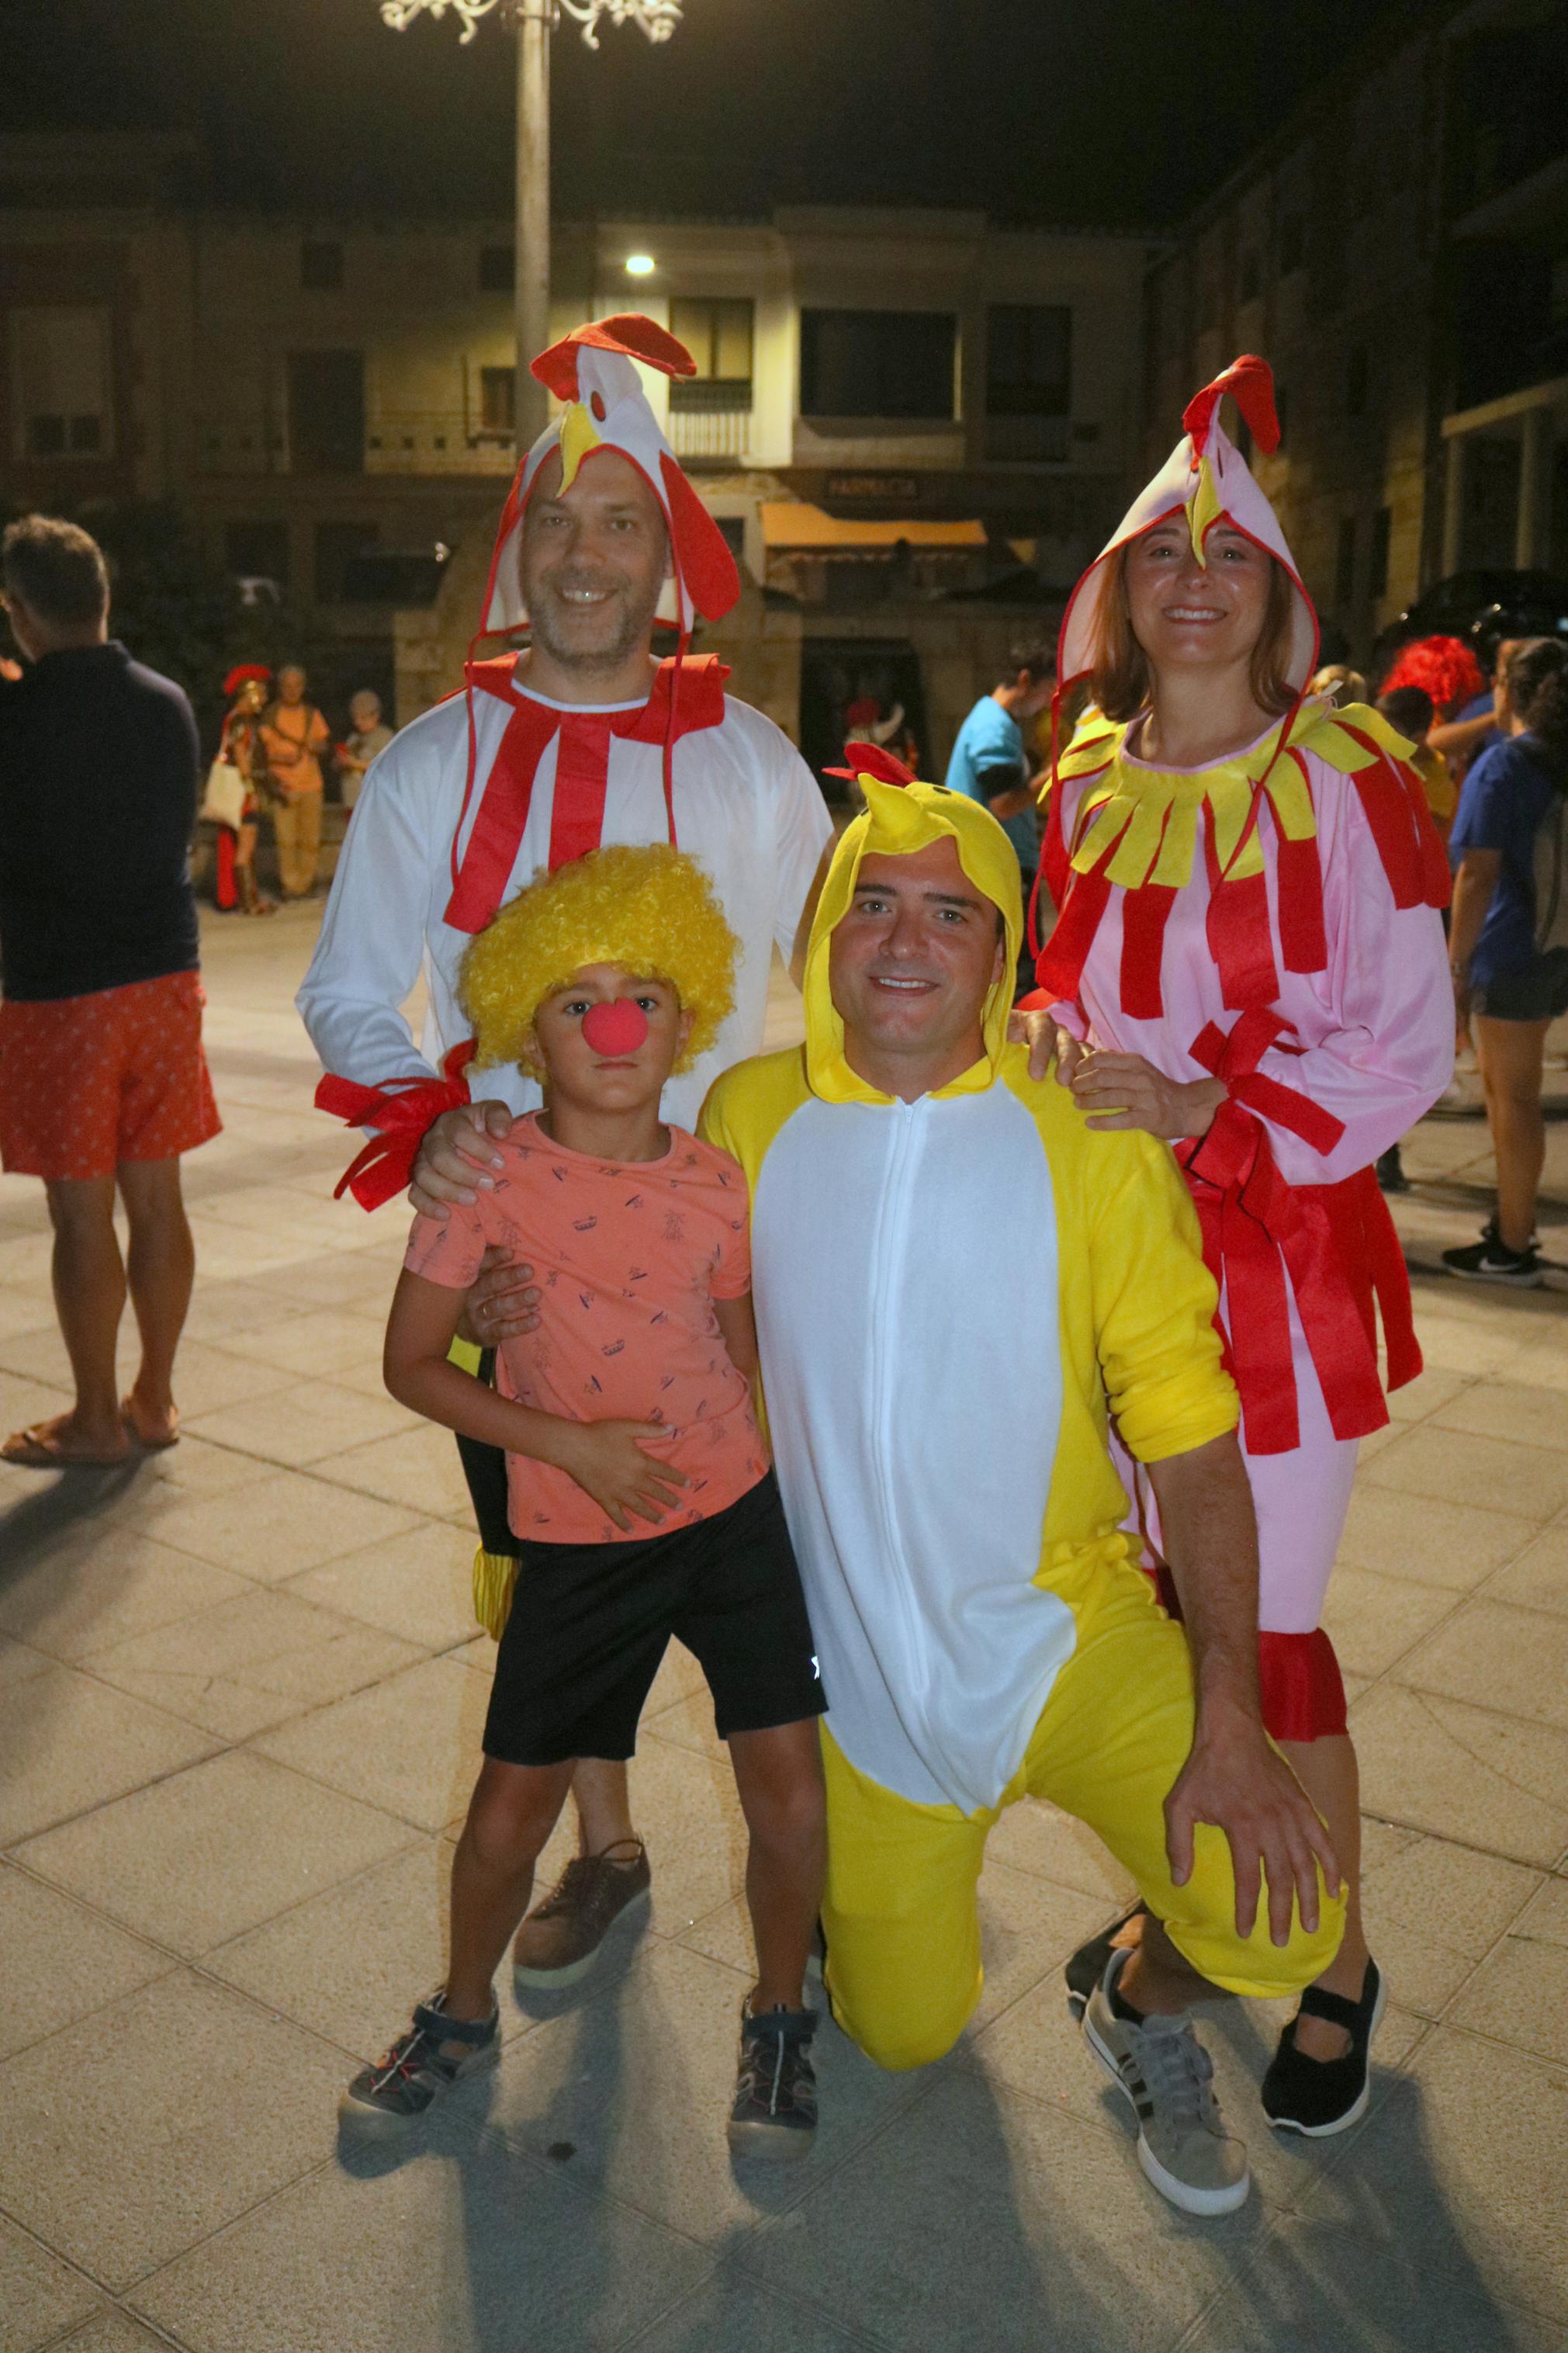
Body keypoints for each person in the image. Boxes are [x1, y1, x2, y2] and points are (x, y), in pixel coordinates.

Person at [701, 769, 1344, 2217]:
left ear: (1006, 954)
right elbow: (636, 1274)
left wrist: (1229, 1710)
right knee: (903, 2029)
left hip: (1068, 1630)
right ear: (825, 932)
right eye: (872, 903)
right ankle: (869, 1929)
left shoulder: (1089, 1132)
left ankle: (1134, 1990)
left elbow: (1193, 1448)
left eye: (952, 911)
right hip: (855, 1679)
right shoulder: (746, 1115)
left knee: (1278, 1917)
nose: (906, 939)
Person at [300, 313, 834, 1994]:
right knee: (548, 1550)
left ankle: (822, 1858)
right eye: (556, 521)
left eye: (621, 521)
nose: (586, 555)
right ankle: (604, 1844)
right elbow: (343, 991)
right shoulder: (429, 763)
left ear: (666, 550)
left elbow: (822, 982)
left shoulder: (745, 758)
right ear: (516, 555)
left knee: (784, 1551)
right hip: (525, 1252)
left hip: (728, 1231)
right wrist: (433, 1116)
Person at [1029, 357, 1452, 2138]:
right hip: (1107, 1262)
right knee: (1155, 1613)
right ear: (1118, 590)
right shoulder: (1078, 779)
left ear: (1276, 585)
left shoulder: (1348, 772)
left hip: (1272, 1264)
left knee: (1261, 1631)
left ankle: (1327, 1966)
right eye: (1155, 551)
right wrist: (1051, 1036)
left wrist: (1202, 1114)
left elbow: (1401, 1031)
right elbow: (1056, 976)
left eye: (1223, 550)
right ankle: (1195, 1910)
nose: (1186, 577)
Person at [341, 842, 828, 2154]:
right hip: (580, 1536)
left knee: (789, 1791)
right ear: (527, 1027)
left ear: (689, 1019)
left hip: (732, 1520)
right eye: (577, 1000)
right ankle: (455, 2010)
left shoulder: (719, 1180)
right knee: (511, 1806)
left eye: (647, 996)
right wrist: (567, 1444)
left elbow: (740, 1351)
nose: (616, 1025)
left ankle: (782, 2012)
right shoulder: (483, 1176)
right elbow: (409, 1365)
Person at [0, 515, 220, 1466]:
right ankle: (155, 1398)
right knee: (158, 1198)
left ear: (19, 614)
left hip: (62, 992)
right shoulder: (167, 701)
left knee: (80, 1212)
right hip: (166, 977)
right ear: (102, 599)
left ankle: (95, 1416)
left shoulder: (16, 720)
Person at [1443, 636, 1568, 1285]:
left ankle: (1511, 1244)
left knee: (1511, 1101)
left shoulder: (1503, 766)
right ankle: (1511, 1230)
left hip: (1509, 946)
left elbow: (1475, 875)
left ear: (1505, 689)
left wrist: (1453, 968)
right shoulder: (1555, 760)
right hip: (1556, 946)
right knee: (1519, 1098)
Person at [1371, 683, 1457, 1192]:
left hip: (1407, 909)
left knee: (1393, 1037)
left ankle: (1388, 1151)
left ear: (1419, 731)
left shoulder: (1430, 771)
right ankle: (1382, 1152)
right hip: (1377, 910)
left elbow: (1432, 842)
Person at [944, 639, 1055, 995]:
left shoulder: (987, 717)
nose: (1050, 701)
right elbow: (1004, 803)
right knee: (1017, 978)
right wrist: (1053, 776)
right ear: (1026, 680)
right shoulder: (995, 728)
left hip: (987, 860)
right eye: (1048, 690)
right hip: (997, 863)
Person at [260, 662, 331, 896]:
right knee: (286, 840)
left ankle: (306, 884)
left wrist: (315, 746)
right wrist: (280, 757)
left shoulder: (312, 714)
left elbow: (324, 744)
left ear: (303, 687)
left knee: (310, 839)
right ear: (280, 688)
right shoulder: (270, 716)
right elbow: (261, 752)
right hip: (284, 786)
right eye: (287, 686)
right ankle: (290, 886)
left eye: (296, 686)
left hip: (312, 784)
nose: (292, 691)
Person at [213, 665, 276, 916]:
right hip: (243, 790)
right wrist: (252, 790)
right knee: (246, 846)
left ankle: (248, 899)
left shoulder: (236, 718)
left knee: (244, 845)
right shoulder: (241, 720)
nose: (264, 698)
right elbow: (242, 759)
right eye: (260, 693)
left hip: (241, 789)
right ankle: (250, 903)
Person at [334, 688, 394, 811]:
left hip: (375, 800)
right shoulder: (354, 738)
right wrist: (340, 762)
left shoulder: (385, 736)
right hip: (353, 799)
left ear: (375, 715)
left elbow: (384, 765)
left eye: (363, 718)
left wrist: (354, 763)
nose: (358, 723)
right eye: (355, 718)